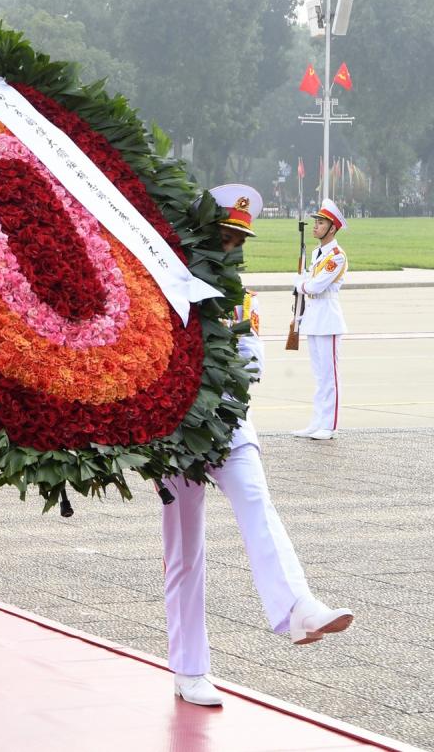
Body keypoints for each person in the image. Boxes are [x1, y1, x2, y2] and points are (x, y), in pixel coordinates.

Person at [163, 185, 353, 707]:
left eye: (238, 240)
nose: (232, 249)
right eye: (225, 237)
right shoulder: (169, 290)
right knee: (184, 552)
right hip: (175, 433)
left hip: (228, 423)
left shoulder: (241, 297)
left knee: (257, 503)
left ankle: (298, 606)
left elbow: (254, 366)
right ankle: (189, 668)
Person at [292, 198, 349, 441]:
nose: (316, 226)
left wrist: (301, 284)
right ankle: (317, 422)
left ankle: (330, 425)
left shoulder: (336, 256)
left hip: (328, 319)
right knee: (319, 375)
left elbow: (315, 285)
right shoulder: (317, 253)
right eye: (316, 222)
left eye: (321, 222)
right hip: (314, 318)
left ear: (332, 228)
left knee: (329, 377)